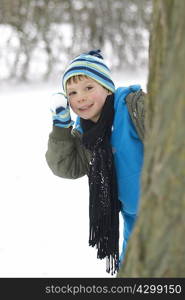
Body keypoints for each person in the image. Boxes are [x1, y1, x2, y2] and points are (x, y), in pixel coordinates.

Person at [45, 49, 145, 275]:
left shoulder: (132, 107)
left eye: (89, 88)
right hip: (134, 221)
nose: (80, 97)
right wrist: (61, 126)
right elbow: (65, 166)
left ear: (107, 88)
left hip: (168, 209)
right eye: (72, 92)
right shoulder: (84, 134)